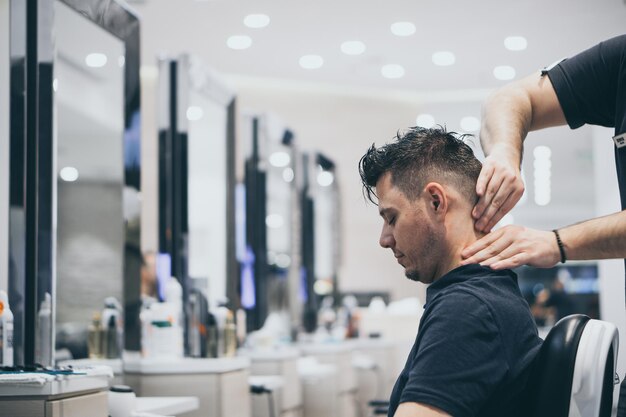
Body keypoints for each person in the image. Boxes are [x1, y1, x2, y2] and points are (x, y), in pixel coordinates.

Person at [358, 126, 542, 417]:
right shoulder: (484, 296)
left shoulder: (468, 309)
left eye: (392, 218)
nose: (385, 239)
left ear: (436, 202)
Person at [462, 34, 626, 269]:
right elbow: (509, 97)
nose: (387, 240)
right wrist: (505, 152)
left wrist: (557, 243)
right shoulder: (621, 59)